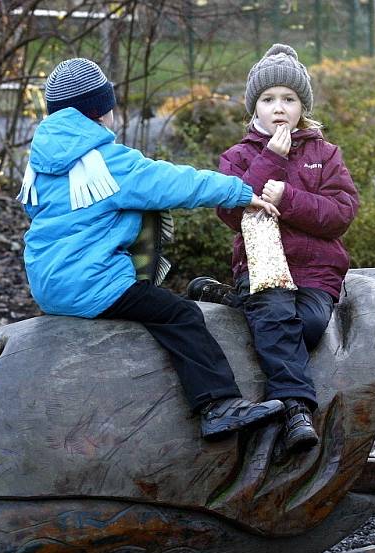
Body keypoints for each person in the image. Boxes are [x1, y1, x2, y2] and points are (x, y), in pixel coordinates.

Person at [17, 57, 285, 441]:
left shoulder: (40, 164)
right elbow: (174, 183)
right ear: (101, 112)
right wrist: (241, 193)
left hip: (47, 284)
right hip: (91, 284)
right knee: (179, 315)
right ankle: (218, 405)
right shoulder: (107, 164)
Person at [187, 44, 359, 453]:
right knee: (276, 314)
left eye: (289, 99)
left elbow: (341, 213)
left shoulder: (325, 154)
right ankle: (297, 409)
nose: (278, 107)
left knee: (309, 327)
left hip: (316, 272)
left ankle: (231, 300)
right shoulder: (237, 157)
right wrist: (271, 158)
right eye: (268, 99)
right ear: (254, 108)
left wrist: (289, 199)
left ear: (303, 106)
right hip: (262, 268)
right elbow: (231, 210)